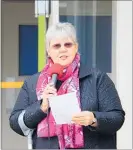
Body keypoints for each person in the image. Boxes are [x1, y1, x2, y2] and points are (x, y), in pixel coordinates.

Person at [9, 22, 125, 149]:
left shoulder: (97, 78)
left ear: (76, 47)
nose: (62, 49)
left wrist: (94, 119)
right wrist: (41, 107)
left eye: (68, 44)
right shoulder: (32, 83)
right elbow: (16, 123)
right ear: (48, 51)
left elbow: (117, 118)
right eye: (56, 46)